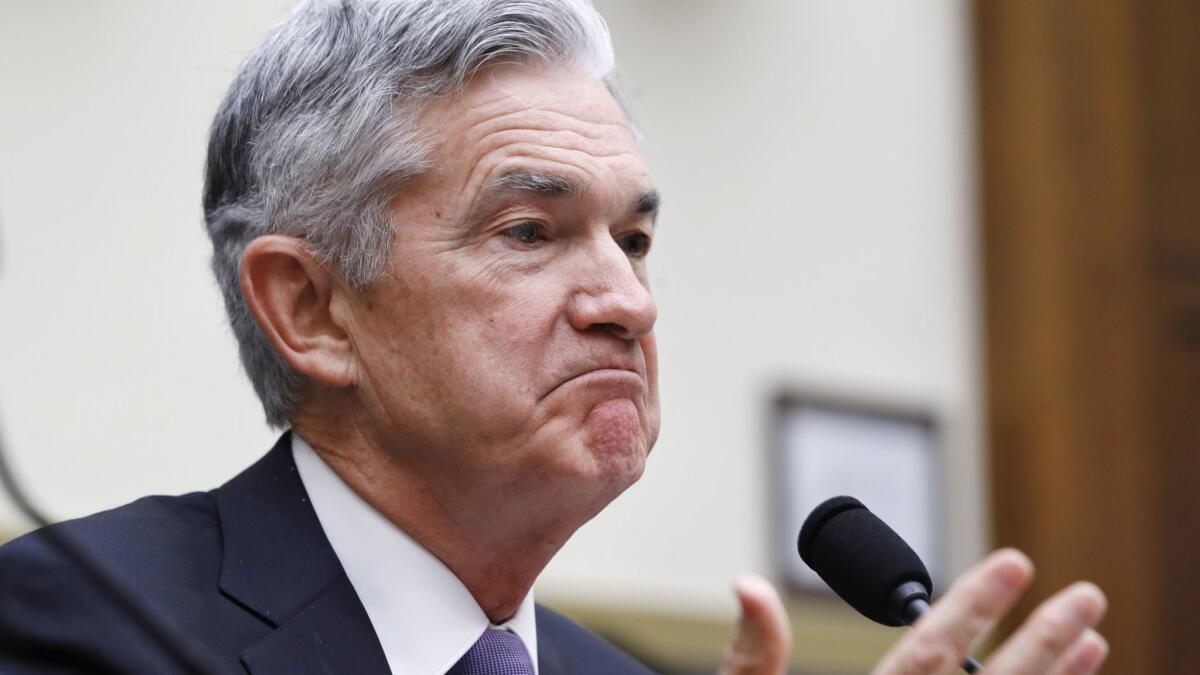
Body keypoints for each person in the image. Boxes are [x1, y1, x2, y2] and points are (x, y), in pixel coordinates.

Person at [0, 1, 1109, 673]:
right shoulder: (80, 625)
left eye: (631, 237)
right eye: (530, 231)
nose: (627, 300)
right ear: (311, 309)